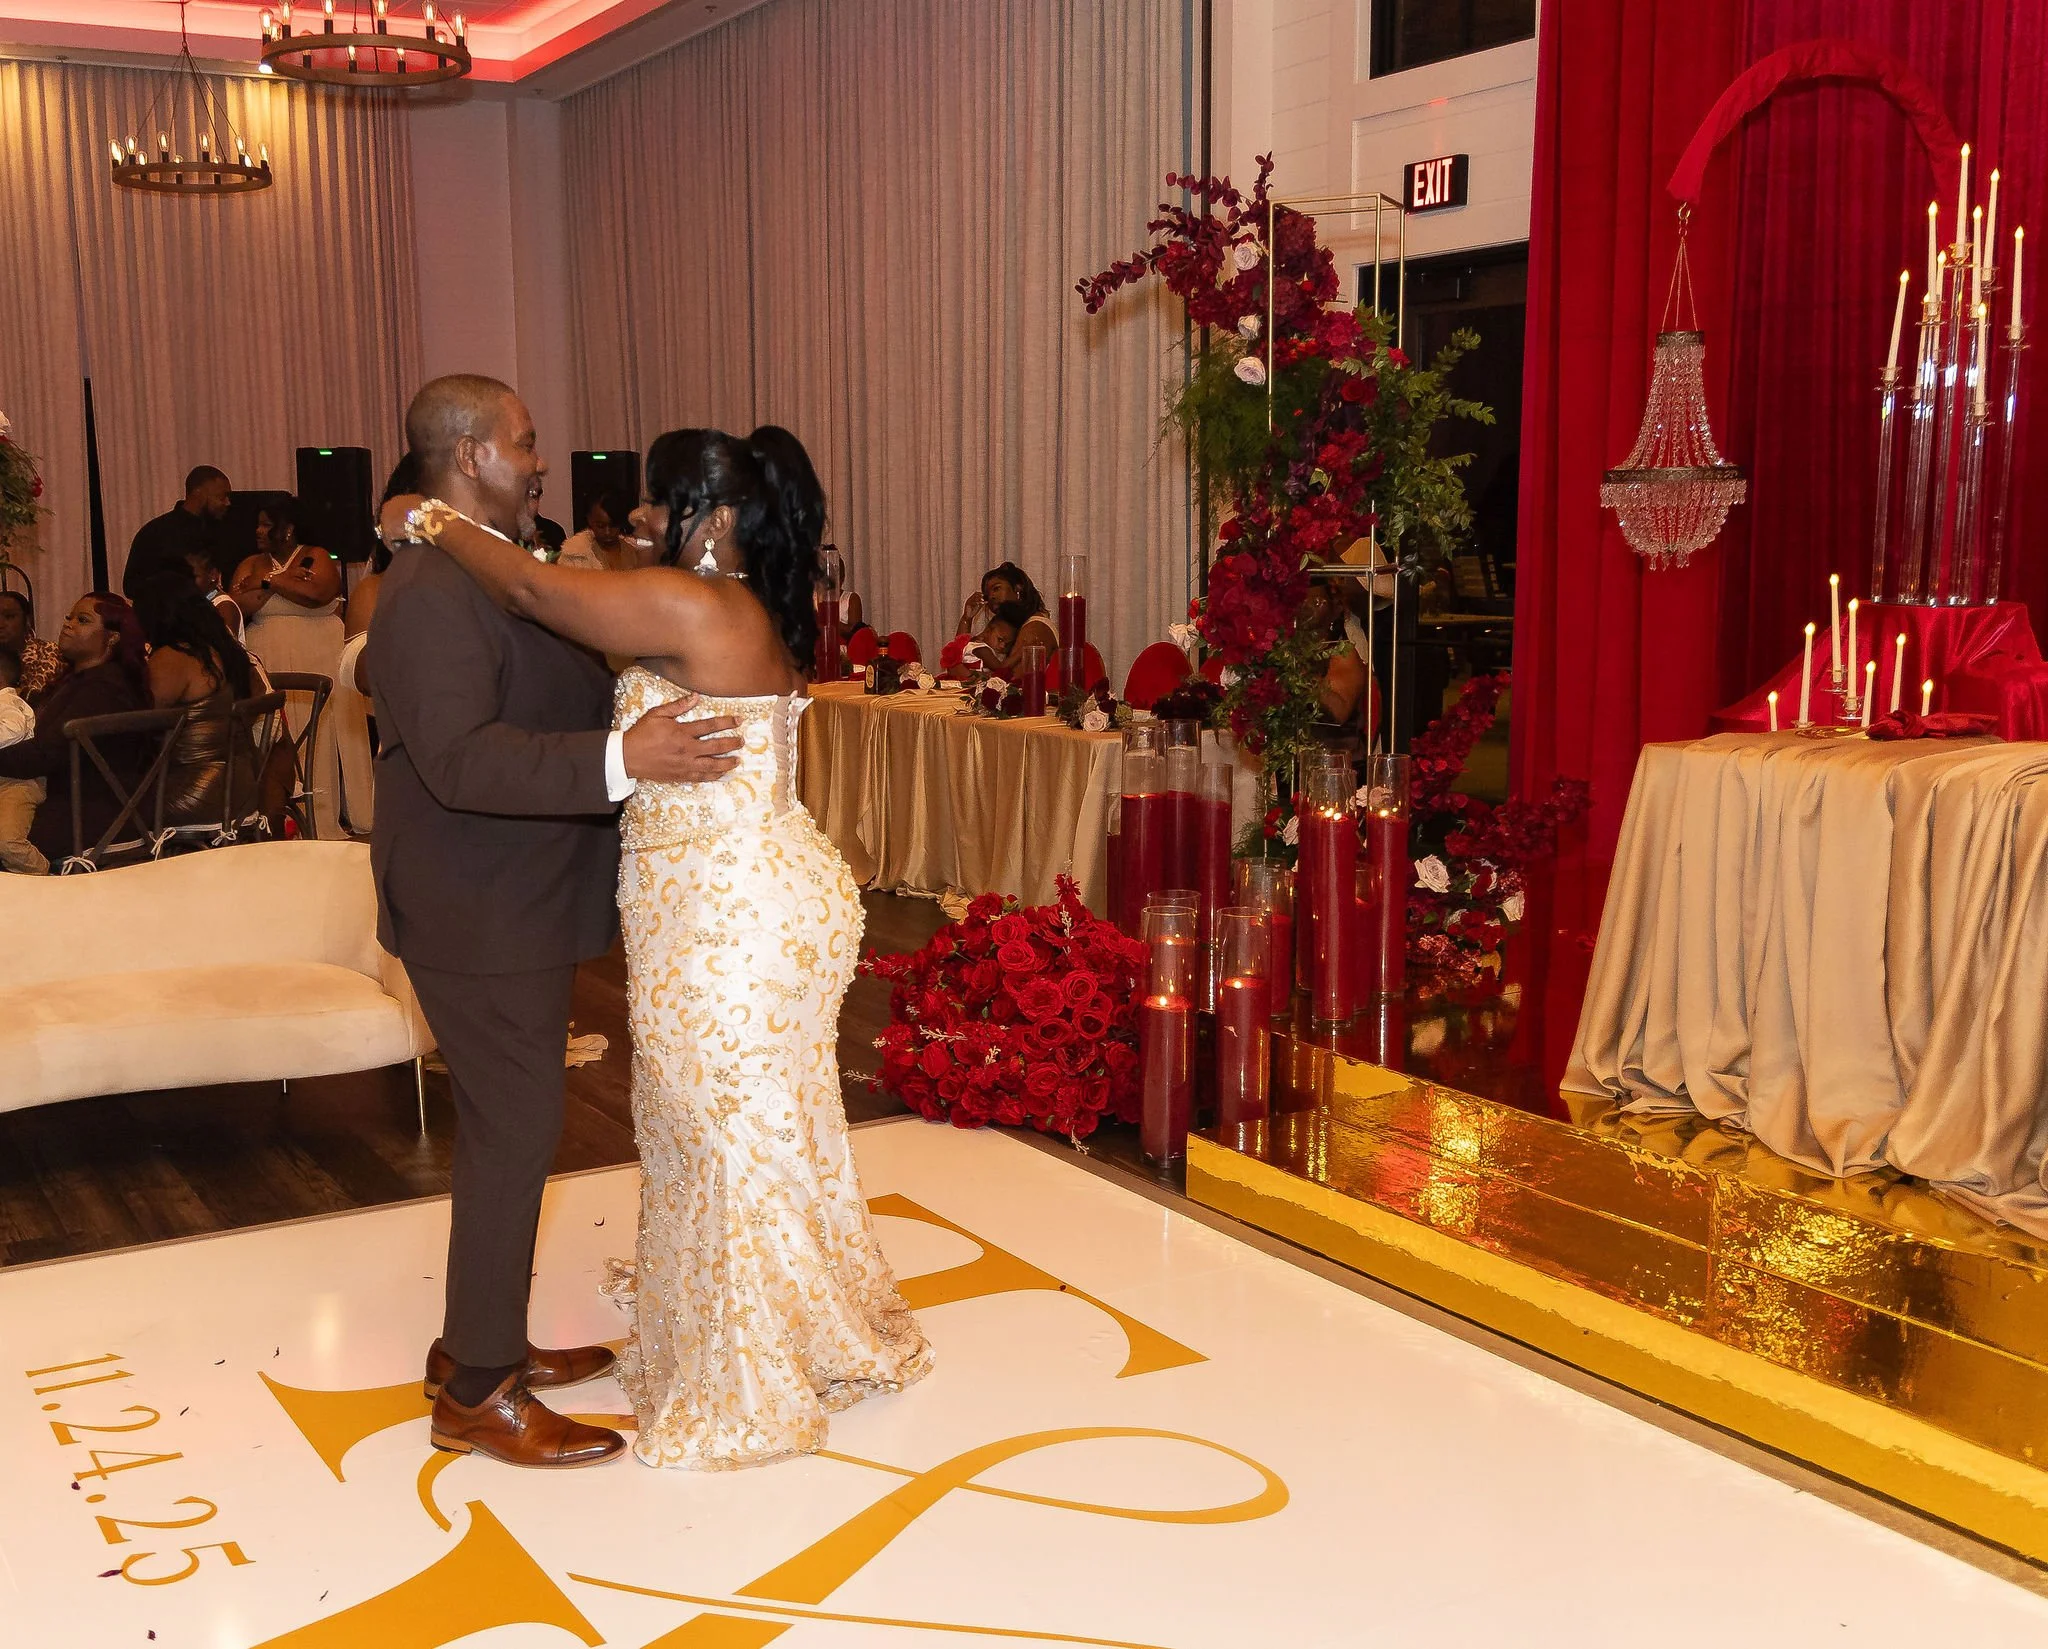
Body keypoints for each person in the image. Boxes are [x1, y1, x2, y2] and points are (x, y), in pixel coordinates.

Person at [385, 419, 932, 1470]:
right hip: (717, 900)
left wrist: (430, 515)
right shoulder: (701, 595)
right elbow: (528, 629)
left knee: (721, 1132)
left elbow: (535, 591)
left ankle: (741, 1364)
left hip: (732, 912)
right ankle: (494, 1358)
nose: (631, 511)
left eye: (655, 496)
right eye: (525, 442)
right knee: (715, 1127)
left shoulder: (690, 602)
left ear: (712, 516)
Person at [367, 374, 748, 1471]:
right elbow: (459, 758)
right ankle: (477, 1392)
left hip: (511, 899)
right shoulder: (430, 588)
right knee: (514, 1131)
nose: (542, 461)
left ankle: (473, 1344)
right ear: (471, 455)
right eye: (526, 443)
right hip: (474, 906)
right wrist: (627, 756)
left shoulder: (491, 565)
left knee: (513, 1128)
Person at [0, 593, 149, 866]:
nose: (68, 624)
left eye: (82, 620)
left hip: (86, 812)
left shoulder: (104, 687)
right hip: (64, 798)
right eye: (69, 617)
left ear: (112, 638)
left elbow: (47, 753)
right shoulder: (80, 681)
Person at [231, 498, 345, 835]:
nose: (258, 531)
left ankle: (321, 817)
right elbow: (241, 602)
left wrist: (268, 581)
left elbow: (319, 593)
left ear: (288, 529)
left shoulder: (316, 555)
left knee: (316, 734)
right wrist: (288, 579)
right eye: (258, 524)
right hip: (269, 656)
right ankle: (275, 820)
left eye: (267, 524)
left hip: (317, 655)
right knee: (274, 738)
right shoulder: (250, 562)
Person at [135, 574, 258, 833]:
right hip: (241, 784)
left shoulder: (173, 657)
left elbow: (139, 721)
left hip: (194, 792)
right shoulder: (223, 650)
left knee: (104, 801)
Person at [124, 465, 232, 598]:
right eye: (221, 497)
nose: (227, 503)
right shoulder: (156, 533)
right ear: (198, 493)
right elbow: (131, 586)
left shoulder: (224, 531)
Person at [957, 564, 1057, 676]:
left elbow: (1010, 680)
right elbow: (959, 653)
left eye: (996, 588)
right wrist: (967, 619)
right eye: (986, 596)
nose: (991, 597)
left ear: (1018, 588)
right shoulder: (1004, 628)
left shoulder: (1035, 627)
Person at [0, 649, 46, 873]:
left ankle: (43, 872)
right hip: (7, 780)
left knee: (8, 842)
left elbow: (14, 729)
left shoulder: (8, 701)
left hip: (18, 783)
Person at [0, 589, 65, 702]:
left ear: (27, 620)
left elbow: (33, 697)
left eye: (9, 617)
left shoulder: (46, 652)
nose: (1, 624)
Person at [558, 488, 637, 572]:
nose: (607, 532)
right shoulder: (574, 555)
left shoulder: (634, 554)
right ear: (589, 519)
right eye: (600, 526)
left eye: (613, 525)